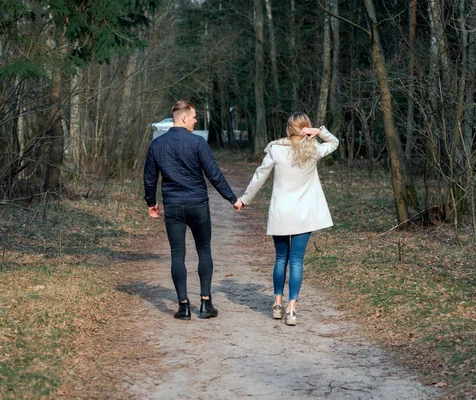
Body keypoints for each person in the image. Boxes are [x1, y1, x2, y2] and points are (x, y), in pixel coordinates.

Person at [143, 100, 243, 320]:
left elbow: (150, 178)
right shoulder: (197, 143)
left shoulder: (157, 145)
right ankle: (206, 305)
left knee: (177, 255)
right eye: (195, 116)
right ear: (184, 117)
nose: (196, 121)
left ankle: (183, 306)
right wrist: (232, 199)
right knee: (204, 251)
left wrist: (151, 202)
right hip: (198, 205)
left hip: (174, 206)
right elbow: (214, 174)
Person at [238, 112, 339, 326]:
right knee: (296, 261)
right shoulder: (314, 149)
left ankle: (277, 304)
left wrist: (244, 200)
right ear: (306, 129)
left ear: (287, 129)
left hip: (281, 214)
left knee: (280, 258)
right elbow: (334, 142)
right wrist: (319, 132)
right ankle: (291, 310)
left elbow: (259, 175)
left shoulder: (276, 149)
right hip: (304, 215)